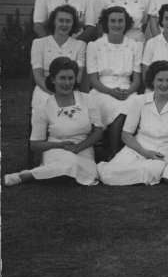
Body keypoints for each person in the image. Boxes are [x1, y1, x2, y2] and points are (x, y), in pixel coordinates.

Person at [4, 58, 103, 187]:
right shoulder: (44, 107)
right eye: (62, 78)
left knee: (84, 168)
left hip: (83, 148)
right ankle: (26, 176)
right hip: (55, 148)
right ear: (52, 79)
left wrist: (78, 147)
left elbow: (98, 131)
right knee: (69, 164)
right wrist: (60, 146)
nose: (67, 83)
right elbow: (35, 144)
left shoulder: (88, 100)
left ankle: (34, 174)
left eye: (70, 78)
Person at [97, 60, 168, 186]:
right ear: (152, 81)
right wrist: (145, 153)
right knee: (108, 174)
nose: (164, 84)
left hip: (162, 154)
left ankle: (150, 173)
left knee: (149, 170)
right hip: (136, 149)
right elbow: (126, 135)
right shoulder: (138, 100)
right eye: (160, 80)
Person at [87, 6, 142, 156]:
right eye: (113, 21)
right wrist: (111, 92)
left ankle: (120, 154)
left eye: (120, 21)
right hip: (101, 90)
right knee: (118, 109)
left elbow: (137, 79)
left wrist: (128, 91)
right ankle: (114, 153)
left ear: (126, 23)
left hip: (127, 89)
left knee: (131, 104)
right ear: (106, 22)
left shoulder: (134, 46)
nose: (117, 25)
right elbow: (93, 79)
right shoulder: (95, 46)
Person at [31, 4, 86, 111]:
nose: (64, 24)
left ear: (73, 23)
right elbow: (37, 75)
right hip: (45, 90)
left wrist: (64, 93)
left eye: (68, 21)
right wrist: (52, 92)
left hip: (70, 90)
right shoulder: (39, 43)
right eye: (61, 20)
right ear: (53, 21)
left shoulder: (80, 45)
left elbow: (78, 77)